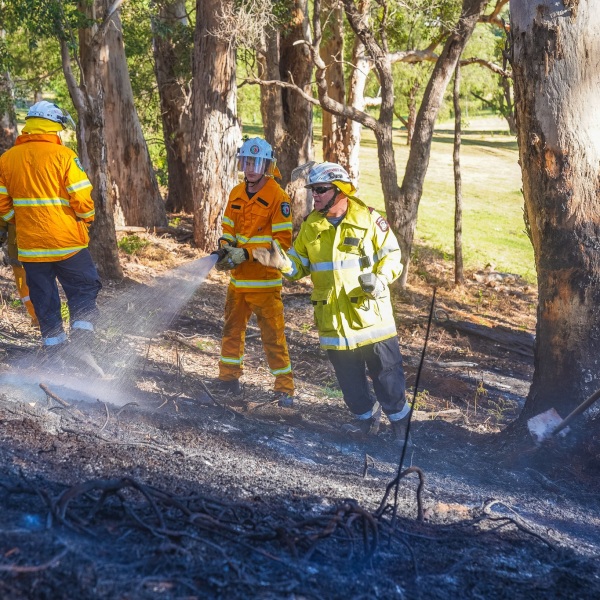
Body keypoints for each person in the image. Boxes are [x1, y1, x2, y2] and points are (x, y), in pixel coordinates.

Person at [253, 162, 410, 440]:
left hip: (372, 319)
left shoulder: (369, 219)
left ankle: (401, 429)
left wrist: (381, 279)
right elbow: (299, 267)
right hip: (334, 324)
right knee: (350, 384)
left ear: (340, 191)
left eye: (321, 190)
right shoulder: (311, 226)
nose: (315, 195)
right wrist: (279, 262)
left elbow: (393, 255)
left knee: (389, 379)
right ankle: (365, 421)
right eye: (313, 190)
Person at [0, 100, 101, 366]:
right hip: (68, 244)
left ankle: (56, 358)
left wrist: (19, 222)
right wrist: (86, 219)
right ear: (54, 126)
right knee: (84, 289)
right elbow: (82, 199)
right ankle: (81, 344)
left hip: (31, 248)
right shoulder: (64, 156)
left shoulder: (7, 159)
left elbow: (2, 204)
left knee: (44, 302)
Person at [213, 137, 295, 406]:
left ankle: (284, 389)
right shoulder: (236, 193)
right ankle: (228, 379)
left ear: (267, 166)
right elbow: (228, 229)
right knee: (231, 329)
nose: (250, 168)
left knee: (273, 336)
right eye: (247, 161)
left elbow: (281, 245)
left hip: (264, 283)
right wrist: (225, 248)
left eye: (256, 163)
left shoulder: (278, 198)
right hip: (238, 281)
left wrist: (246, 253)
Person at [0, 220, 38, 326]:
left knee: (43, 287)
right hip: (18, 251)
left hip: (42, 251)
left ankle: (46, 319)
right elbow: (3, 219)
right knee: (24, 289)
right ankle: (37, 319)